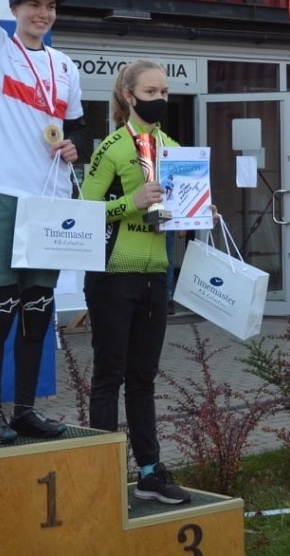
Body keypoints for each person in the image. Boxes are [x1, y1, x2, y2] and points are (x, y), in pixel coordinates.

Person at [0, 0, 84, 445]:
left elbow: (76, 128)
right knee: (0, 306)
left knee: (38, 310)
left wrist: (74, 150)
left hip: (50, 204)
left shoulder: (65, 66)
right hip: (1, 196)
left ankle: (23, 411)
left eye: (50, 7)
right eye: (35, 4)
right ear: (17, 8)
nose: (43, 13)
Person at [78, 60, 193, 504]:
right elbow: (83, 213)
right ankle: (103, 473)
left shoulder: (172, 146)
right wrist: (131, 201)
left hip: (154, 275)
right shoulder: (111, 148)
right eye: (152, 91)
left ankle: (149, 471)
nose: (161, 99)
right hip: (112, 275)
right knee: (109, 375)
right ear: (129, 96)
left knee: (143, 377)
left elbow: (175, 207)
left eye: (165, 91)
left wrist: (196, 213)